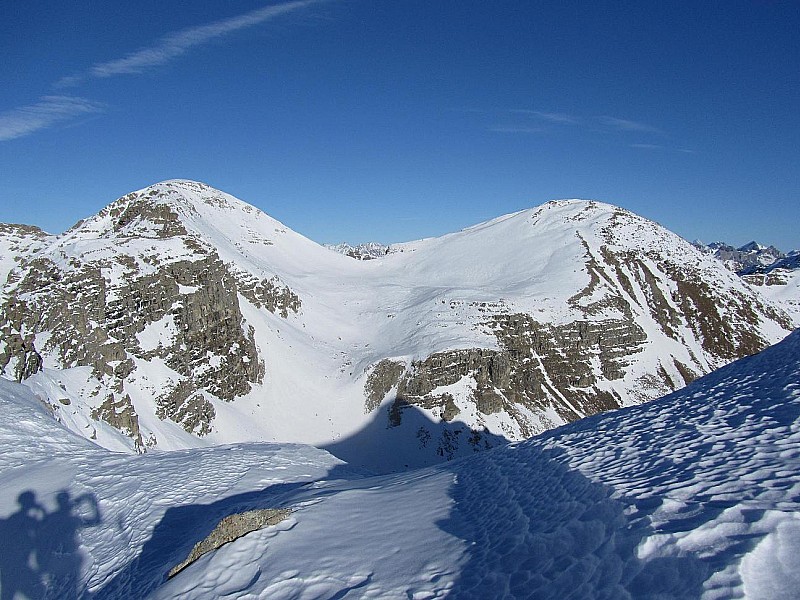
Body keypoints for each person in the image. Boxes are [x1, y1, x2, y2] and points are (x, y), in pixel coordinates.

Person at [0, 491, 45, 600]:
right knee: (38, 592)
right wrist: (42, 510)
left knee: (9, 592)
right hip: (15, 564)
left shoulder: (16, 519)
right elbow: (45, 529)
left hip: (11, 564)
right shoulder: (23, 519)